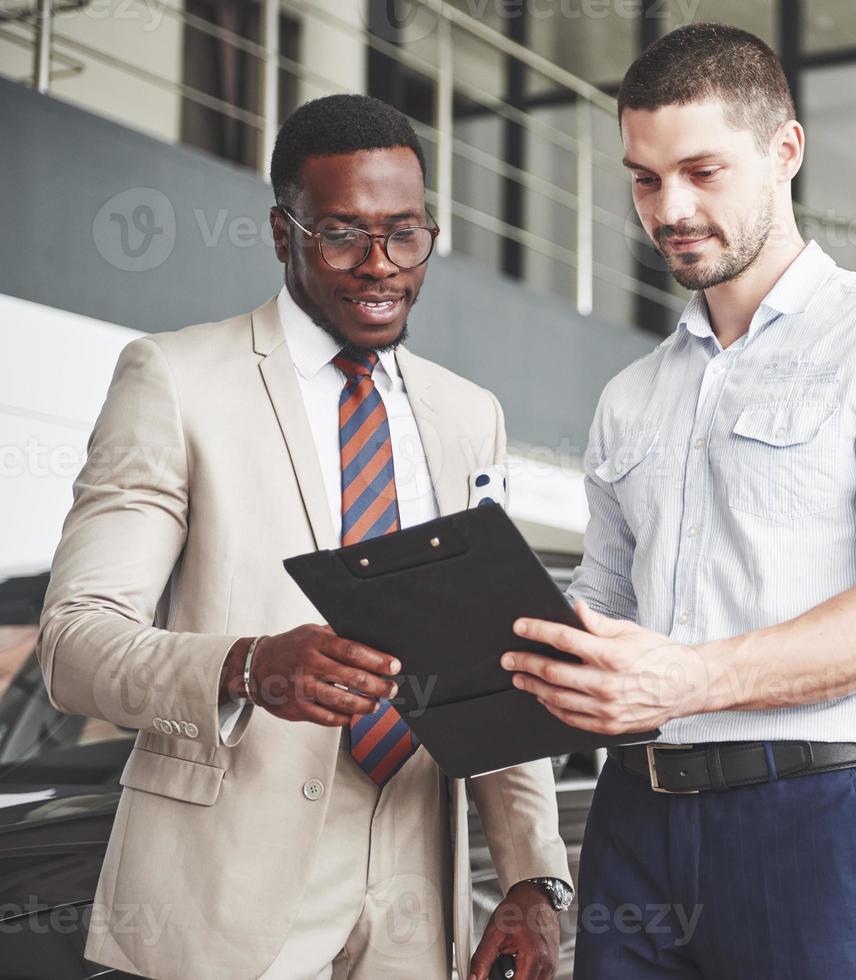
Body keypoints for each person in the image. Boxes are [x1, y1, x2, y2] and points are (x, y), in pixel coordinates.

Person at [501, 23, 856, 980]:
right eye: (644, 179)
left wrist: (686, 681)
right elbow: (606, 611)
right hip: (633, 824)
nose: (670, 208)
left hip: (816, 825)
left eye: (700, 170)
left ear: (785, 152)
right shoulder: (630, 396)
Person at [39, 94, 571, 980]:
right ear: (283, 234)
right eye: (341, 235)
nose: (380, 267)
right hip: (222, 892)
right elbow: (73, 645)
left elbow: (496, 660)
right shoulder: (176, 380)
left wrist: (530, 879)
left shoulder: (466, 415)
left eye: (406, 234)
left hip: (414, 886)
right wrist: (245, 665)